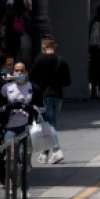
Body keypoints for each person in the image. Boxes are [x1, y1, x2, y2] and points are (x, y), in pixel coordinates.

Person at [29, 36, 71, 164]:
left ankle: (57, 150)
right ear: (55, 46)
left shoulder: (39, 60)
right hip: (58, 96)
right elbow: (67, 81)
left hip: (44, 96)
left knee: (48, 124)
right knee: (51, 124)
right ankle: (44, 154)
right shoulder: (62, 61)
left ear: (43, 47)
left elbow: (31, 78)